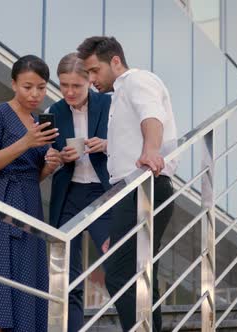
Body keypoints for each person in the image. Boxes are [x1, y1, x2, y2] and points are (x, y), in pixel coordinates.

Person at [77, 36, 178, 331]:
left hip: (144, 186)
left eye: (95, 71)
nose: (92, 79)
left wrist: (151, 150)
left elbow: (152, 116)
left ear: (116, 61)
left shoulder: (136, 81)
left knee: (120, 274)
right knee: (142, 276)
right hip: (133, 190)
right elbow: (135, 131)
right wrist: (110, 145)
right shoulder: (118, 95)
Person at [0, 55, 61, 332]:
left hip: (30, 208)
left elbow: (31, 174)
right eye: (28, 87)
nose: (35, 94)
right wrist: (26, 142)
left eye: (41, 87)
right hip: (1, 205)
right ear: (13, 84)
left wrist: (48, 167)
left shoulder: (40, 122)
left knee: (26, 290)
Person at [47, 52, 112, 332]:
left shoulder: (110, 103)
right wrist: (58, 157)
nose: (70, 92)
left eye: (77, 85)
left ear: (89, 81)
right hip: (69, 196)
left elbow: (130, 142)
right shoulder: (53, 112)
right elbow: (46, 155)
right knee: (66, 278)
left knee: (118, 263)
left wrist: (107, 145)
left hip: (104, 193)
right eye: (64, 85)